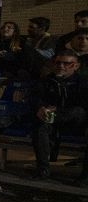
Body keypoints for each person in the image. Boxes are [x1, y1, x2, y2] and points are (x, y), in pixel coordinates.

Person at [30, 50, 87, 183]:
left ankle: (84, 177)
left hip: (76, 123)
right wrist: (40, 108)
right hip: (52, 120)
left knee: (77, 111)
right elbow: (35, 98)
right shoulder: (47, 81)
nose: (61, 66)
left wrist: (60, 110)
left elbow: (83, 105)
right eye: (58, 63)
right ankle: (43, 169)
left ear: (76, 66)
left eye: (67, 63)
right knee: (40, 127)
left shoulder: (82, 83)